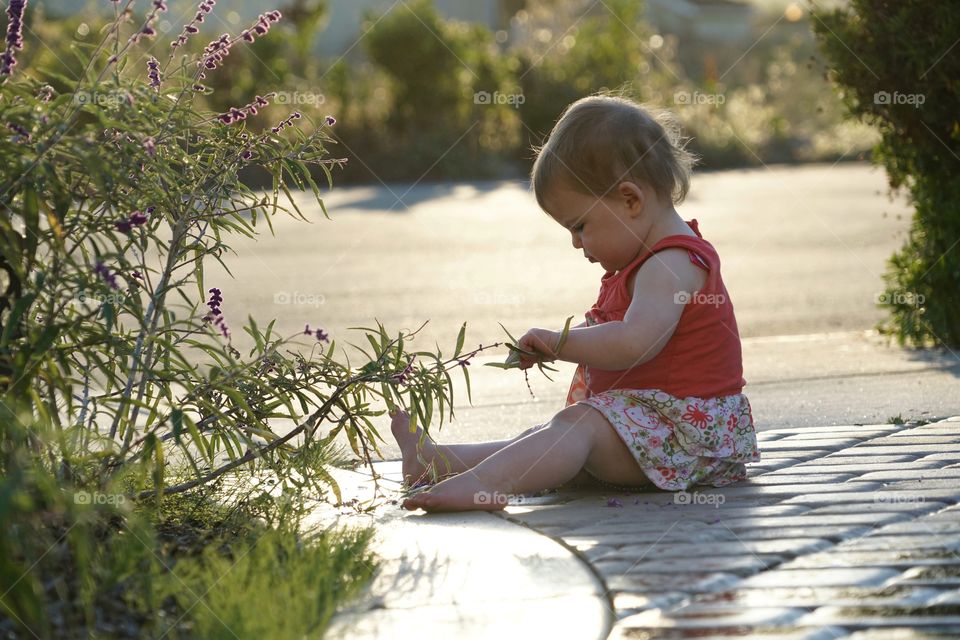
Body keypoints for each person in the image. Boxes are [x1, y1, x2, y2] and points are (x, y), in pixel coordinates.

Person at [394, 92, 760, 512]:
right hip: (653, 431)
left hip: (689, 439)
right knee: (544, 440)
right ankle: (436, 463)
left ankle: (483, 486)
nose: (575, 243)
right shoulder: (642, 261)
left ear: (630, 200)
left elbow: (635, 341)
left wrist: (560, 342)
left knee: (573, 429)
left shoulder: (672, 263)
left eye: (580, 226)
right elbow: (620, 329)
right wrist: (564, 340)